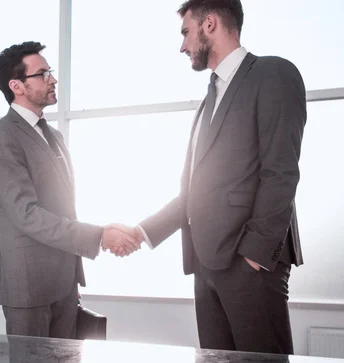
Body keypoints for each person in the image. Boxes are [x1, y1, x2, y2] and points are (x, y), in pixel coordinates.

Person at [118, 0, 306, 354]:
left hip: (250, 264)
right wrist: (141, 232)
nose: (182, 46)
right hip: (207, 266)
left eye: (186, 32)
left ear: (209, 24)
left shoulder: (273, 74)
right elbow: (193, 191)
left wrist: (254, 257)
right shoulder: (209, 98)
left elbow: (281, 172)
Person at [0, 41, 140, 339]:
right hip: (28, 286)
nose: (52, 79)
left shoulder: (52, 135)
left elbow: (63, 206)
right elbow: (26, 214)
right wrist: (99, 235)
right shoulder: (0, 137)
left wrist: (99, 236)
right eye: (42, 74)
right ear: (16, 85)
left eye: (50, 72)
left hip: (64, 281)